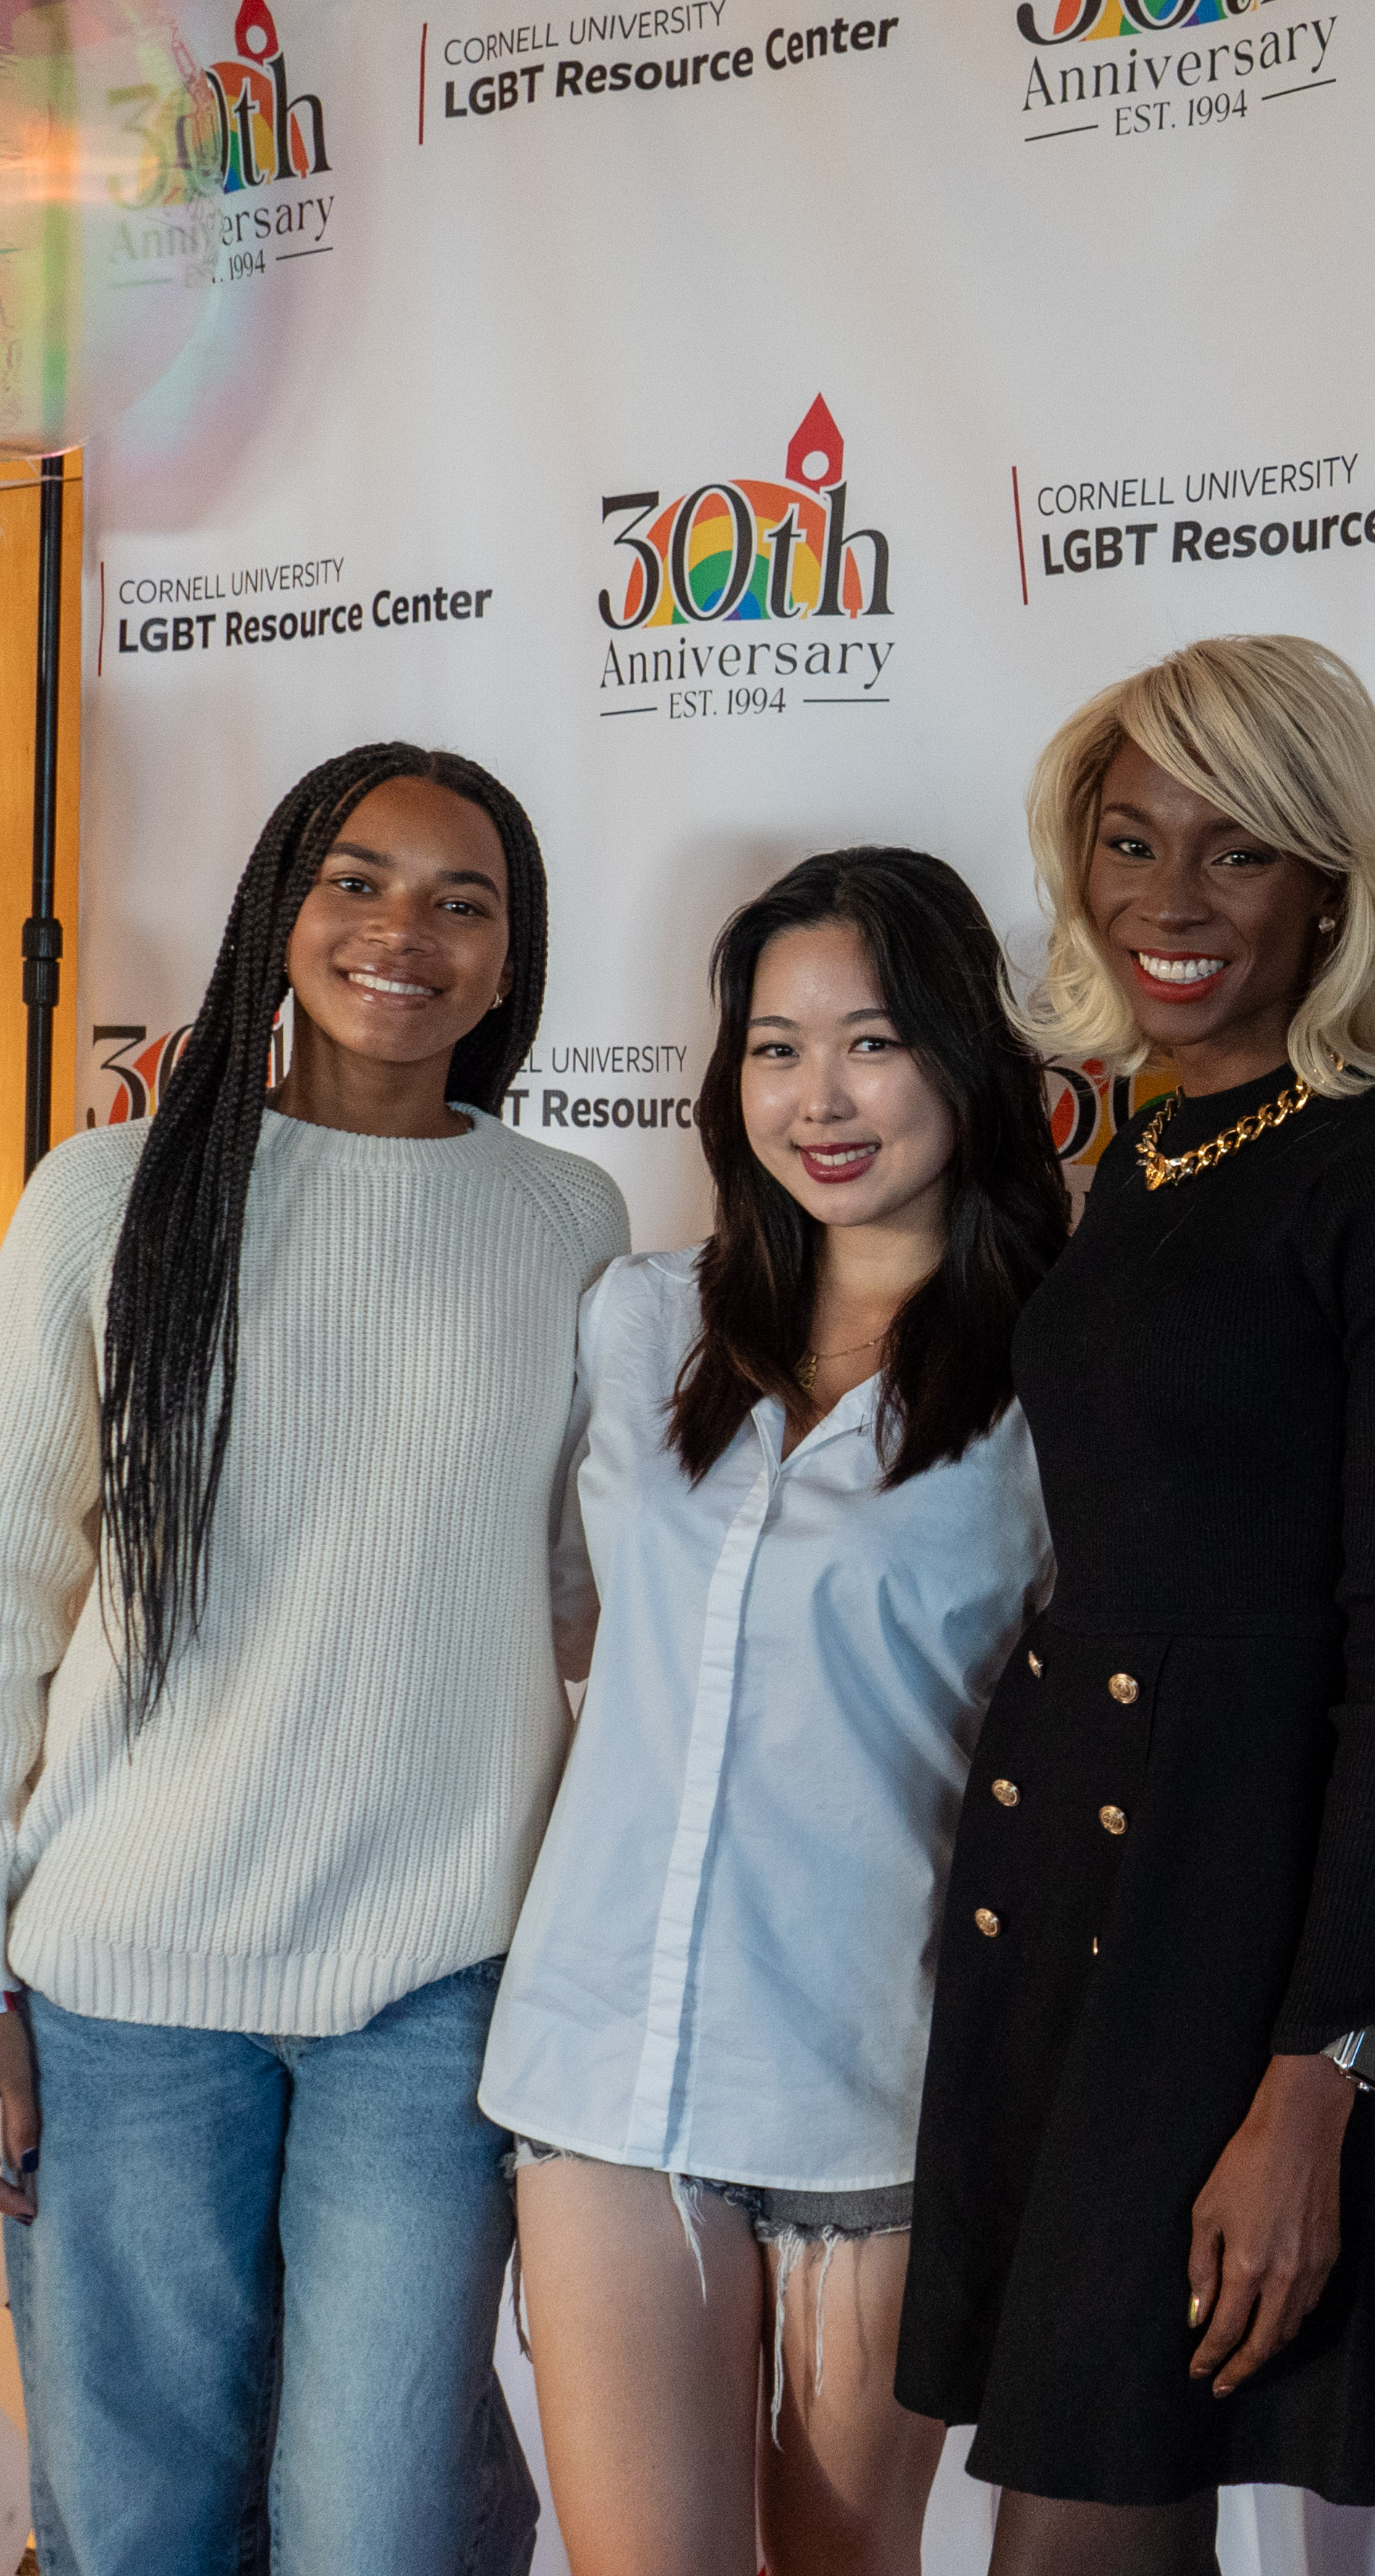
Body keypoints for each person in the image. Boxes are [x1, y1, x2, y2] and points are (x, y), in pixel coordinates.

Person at [0, 744, 627, 2575]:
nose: (405, 932)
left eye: (467, 900)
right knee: (137, 2519)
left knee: (380, 2523)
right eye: (357, 881)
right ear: (277, 913)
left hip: (436, 1984)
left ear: (515, 958)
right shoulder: (108, 1194)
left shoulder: (569, 1223)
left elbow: (565, 1591)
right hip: (125, 1981)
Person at [899, 632, 1375, 2575]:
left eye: (1234, 854)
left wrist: (1319, 2071)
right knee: (1070, 2509)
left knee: (1072, 2526)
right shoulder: (1136, 1146)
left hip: (1220, 1956)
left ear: (1330, 879)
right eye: (1131, 843)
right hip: (1060, 1909)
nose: (1169, 900)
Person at [480, 848, 1068, 2576]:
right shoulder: (641, 1318)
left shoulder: (1060, 1378)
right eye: (774, 1046)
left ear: (967, 1058)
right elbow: (563, 1614)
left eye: (872, 1041)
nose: (820, 1097)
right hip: (605, 2068)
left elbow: (1143, 1714)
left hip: (874, 2086)